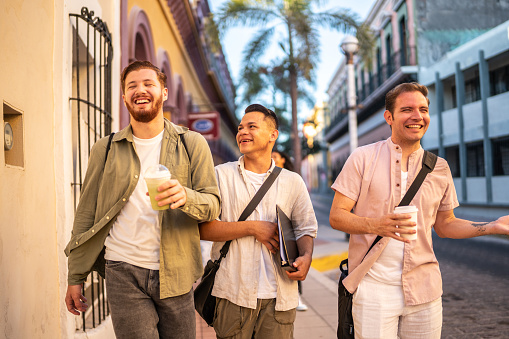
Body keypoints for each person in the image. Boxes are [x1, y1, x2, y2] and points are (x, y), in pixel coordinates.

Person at [329, 82, 509, 339]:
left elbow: (446, 224)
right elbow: (337, 216)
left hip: (424, 289)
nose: (417, 116)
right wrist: (376, 225)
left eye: (423, 109)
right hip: (373, 289)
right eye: (407, 109)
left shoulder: (439, 168)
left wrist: (491, 226)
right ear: (389, 117)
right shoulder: (362, 158)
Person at [64, 61, 220, 338]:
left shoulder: (191, 143)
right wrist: (75, 277)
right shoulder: (106, 147)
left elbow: (212, 204)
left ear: (164, 92)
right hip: (122, 268)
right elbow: (86, 213)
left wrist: (185, 196)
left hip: (177, 270)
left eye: (149, 84)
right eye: (132, 86)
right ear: (124, 96)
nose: (140, 90)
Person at [200, 104, 318, 338]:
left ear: (273, 135)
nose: (243, 132)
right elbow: (204, 228)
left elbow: (305, 228)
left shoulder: (292, 182)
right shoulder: (220, 175)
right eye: (240, 127)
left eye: (252, 126)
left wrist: (306, 257)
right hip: (232, 294)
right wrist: (252, 227)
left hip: (280, 297)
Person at [271, 150, 308, 312]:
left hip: (290, 227)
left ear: (283, 160)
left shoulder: (291, 178)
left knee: (293, 259)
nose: (272, 159)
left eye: (275, 157)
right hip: (274, 225)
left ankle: (296, 295)